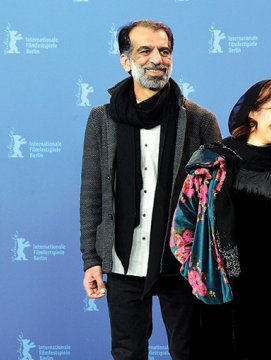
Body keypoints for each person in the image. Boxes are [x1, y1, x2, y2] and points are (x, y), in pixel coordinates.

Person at [79, 19, 220, 360]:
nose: (157, 59)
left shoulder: (200, 120)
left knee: (190, 351)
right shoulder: (103, 118)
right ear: (126, 60)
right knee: (127, 352)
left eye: (165, 51)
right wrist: (91, 259)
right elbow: (91, 192)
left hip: (181, 262)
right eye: (145, 50)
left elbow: (214, 201)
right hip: (122, 259)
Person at [170, 79, 271, 358]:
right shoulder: (213, 162)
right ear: (253, 112)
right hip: (226, 291)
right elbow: (182, 227)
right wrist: (198, 273)